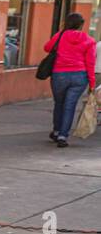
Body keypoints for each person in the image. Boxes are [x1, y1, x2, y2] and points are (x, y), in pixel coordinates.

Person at [44, 13, 98, 148]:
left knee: (59, 103)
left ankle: (56, 131)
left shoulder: (60, 36)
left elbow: (47, 48)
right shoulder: (89, 40)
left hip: (59, 74)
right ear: (81, 25)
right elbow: (90, 63)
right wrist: (92, 83)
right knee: (70, 106)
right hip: (80, 76)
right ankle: (63, 135)